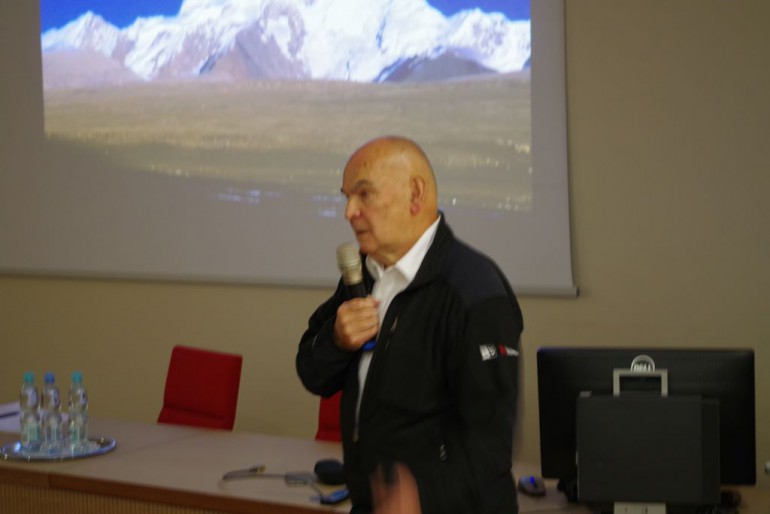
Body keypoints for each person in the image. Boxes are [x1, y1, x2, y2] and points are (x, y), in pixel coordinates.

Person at [296, 136, 523, 514]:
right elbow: (312, 374)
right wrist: (336, 342)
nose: (349, 211)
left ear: (415, 194)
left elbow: (490, 442)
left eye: (363, 194)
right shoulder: (364, 275)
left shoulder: (475, 292)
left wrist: (425, 499)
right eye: (346, 197)